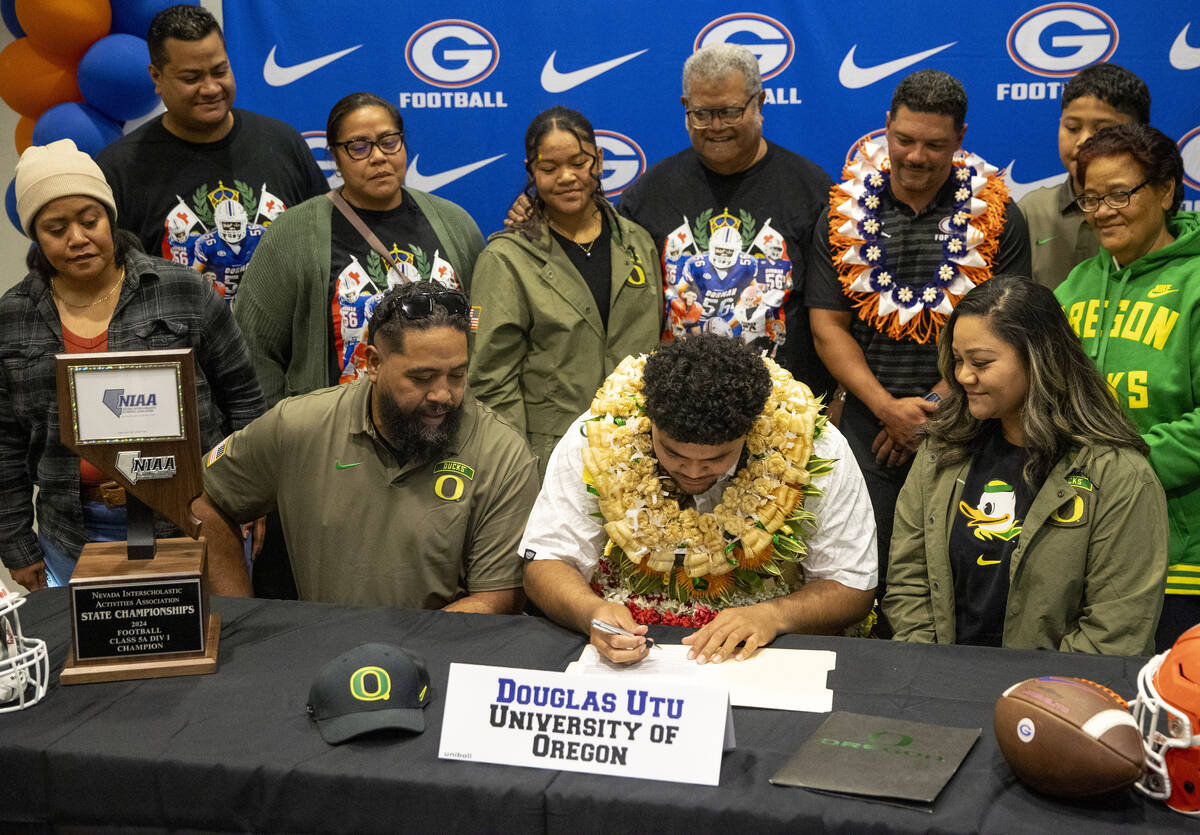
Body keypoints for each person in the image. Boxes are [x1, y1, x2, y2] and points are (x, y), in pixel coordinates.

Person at [807, 70, 1031, 620]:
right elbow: (827, 326)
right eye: (904, 139)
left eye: (935, 144)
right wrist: (888, 410)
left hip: (971, 420)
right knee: (864, 573)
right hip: (867, 425)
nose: (916, 156)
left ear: (960, 139)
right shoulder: (843, 211)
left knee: (969, 568)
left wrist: (933, 408)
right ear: (886, 126)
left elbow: (1011, 329)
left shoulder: (999, 216)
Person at [0, 139, 263, 594]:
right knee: (98, 657)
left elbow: (244, 399)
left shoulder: (183, 290)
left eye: (90, 220)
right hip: (74, 529)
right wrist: (16, 541)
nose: (78, 238)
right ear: (36, 237)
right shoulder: (12, 316)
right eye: (56, 228)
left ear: (110, 217)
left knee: (214, 648)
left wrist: (254, 496)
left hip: (196, 514)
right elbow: (5, 440)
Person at [521, 334, 877, 665]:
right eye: (673, 453)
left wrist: (776, 615)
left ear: (751, 432)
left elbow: (852, 585)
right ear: (649, 422)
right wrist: (591, 612)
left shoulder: (814, 444)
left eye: (715, 460)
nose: (692, 471)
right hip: (635, 651)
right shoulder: (602, 433)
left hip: (765, 654)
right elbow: (548, 560)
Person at [195, 281, 538, 612]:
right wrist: (236, 615)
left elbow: (497, 599)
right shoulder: (300, 426)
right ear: (373, 363)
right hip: (322, 654)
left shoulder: (502, 455)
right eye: (422, 378)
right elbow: (205, 499)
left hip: (439, 660)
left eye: (457, 375)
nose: (442, 395)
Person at [884, 276, 1167, 654]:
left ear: (1040, 360)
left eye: (981, 362)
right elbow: (909, 582)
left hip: (1056, 700)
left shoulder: (1119, 476)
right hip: (939, 687)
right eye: (957, 360)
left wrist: (1034, 698)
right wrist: (930, 670)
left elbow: (1114, 630)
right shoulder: (941, 451)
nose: (963, 376)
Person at [235, 91, 485, 406]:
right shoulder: (294, 234)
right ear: (335, 157)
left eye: (389, 141)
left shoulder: (455, 224)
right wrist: (281, 431)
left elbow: (478, 321)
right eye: (359, 147)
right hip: (335, 435)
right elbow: (256, 348)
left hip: (441, 419)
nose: (378, 156)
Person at [613, 43, 834, 395]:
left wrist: (839, 393)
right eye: (702, 114)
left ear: (759, 103)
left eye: (730, 112)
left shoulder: (811, 190)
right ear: (686, 108)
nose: (716, 127)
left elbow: (836, 314)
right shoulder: (647, 197)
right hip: (679, 403)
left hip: (785, 408)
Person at [1054, 123, 1200, 652]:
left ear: (1165, 191)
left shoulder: (1196, 283)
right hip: (1086, 546)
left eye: (1121, 193)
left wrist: (1126, 471)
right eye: (1091, 198)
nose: (1104, 210)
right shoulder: (1075, 287)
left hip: (1181, 558)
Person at [469, 107, 662, 476]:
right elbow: (491, 381)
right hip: (550, 459)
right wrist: (517, 468)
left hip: (640, 450)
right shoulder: (506, 260)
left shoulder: (638, 243)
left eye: (578, 162)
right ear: (531, 171)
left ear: (599, 160)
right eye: (549, 168)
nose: (567, 177)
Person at [95, 4, 327, 271]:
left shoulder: (283, 142)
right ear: (156, 77)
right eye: (191, 78)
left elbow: (325, 248)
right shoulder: (120, 169)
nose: (211, 88)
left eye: (220, 71)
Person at [1018, 63, 1150, 290]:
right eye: (1072, 127)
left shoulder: (1153, 210)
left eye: (1102, 130)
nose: (1083, 141)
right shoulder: (1031, 210)